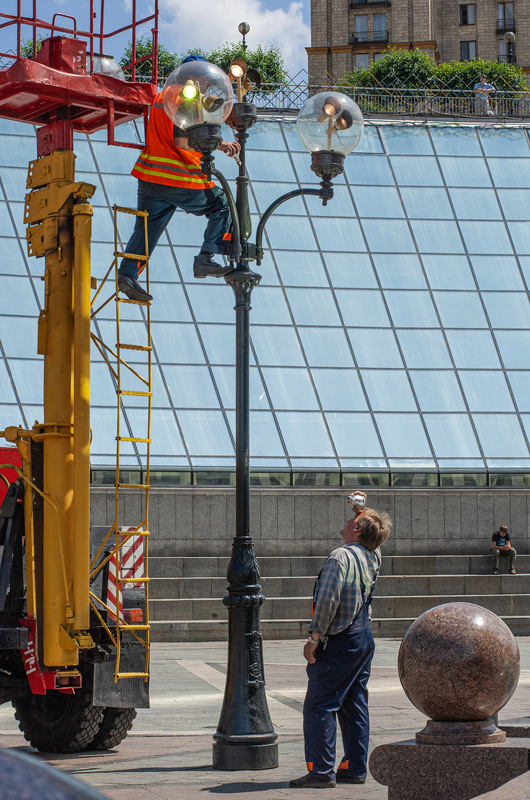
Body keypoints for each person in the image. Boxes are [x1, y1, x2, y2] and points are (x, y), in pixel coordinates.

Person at [117, 54, 240, 302]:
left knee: (146, 230)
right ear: (194, 76)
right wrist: (221, 145)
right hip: (177, 175)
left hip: (150, 176)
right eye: (204, 79)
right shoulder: (187, 95)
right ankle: (206, 257)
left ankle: (128, 275)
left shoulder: (162, 96)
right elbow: (182, 140)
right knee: (223, 205)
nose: (205, 85)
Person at [289, 501, 392, 789]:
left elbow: (326, 602)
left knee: (320, 704)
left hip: (340, 640)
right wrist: (367, 513)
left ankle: (321, 771)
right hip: (363, 637)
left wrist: (314, 638)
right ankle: (354, 767)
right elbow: (375, 533)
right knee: (354, 702)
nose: (348, 521)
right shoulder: (373, 555)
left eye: (353, 519)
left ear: (357, 530)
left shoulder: (340, 558)